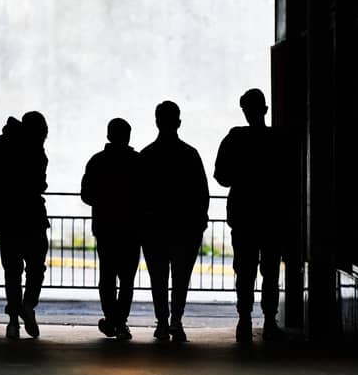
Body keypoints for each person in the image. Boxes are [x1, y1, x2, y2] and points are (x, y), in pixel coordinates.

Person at [214, 89, 287, 343]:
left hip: (244, 216)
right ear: (265, 110)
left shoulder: (235, 138)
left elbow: (221, 176)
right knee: (270, 272)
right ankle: (269, 322)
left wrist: (242, 175)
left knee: (245, 272)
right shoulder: (278, 139)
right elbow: (289, 181)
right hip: (271, 216)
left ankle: (244, 321)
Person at [0, 111, 50, 340]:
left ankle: (13, 322)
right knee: (36, 267)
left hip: (7, 218)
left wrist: (0, 184)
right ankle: (28, 305)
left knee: (12, 272)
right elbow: (38, 183)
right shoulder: (36, 149)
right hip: (32, 215)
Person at [140, 101, 210, 342]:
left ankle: (161, 322)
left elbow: (139, 194)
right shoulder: (190, 155)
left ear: (157, 121)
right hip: (185, 228)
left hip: (154, 228)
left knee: (158, 277)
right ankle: (176, 321)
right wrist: (199, 222)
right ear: (178, 122)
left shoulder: (147, 155)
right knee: (181, 278)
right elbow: (202, 194)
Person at [81, 118, 141, 341]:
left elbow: (86, 194)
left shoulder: (97, 161)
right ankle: (120, 322)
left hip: (106, 228)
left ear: (108, 135)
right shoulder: (136, 161)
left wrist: (105, 200)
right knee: (127, 279)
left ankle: (112, 319)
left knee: (107, 277)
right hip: (132, 229)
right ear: (128, 136)